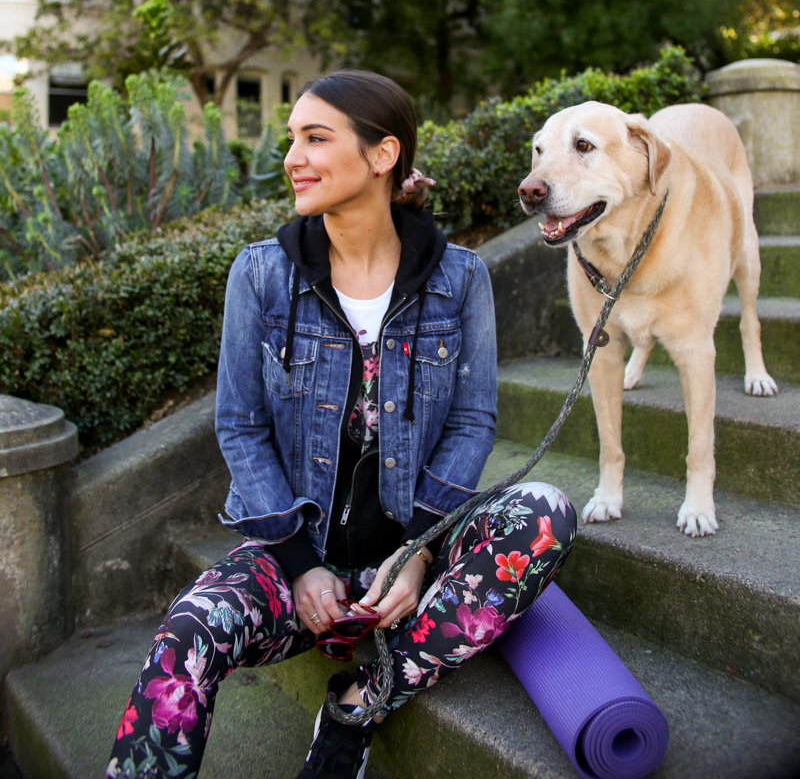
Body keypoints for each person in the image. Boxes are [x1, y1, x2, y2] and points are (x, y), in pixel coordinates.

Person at [107, 69, 577, 779]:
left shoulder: (460, 278)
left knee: (546, 511)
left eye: (315, 138)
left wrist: (417, 549)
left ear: (383, 154)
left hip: (415, 550)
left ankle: (359, 704)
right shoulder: (261, 274)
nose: (292, 156)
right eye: (292, 138)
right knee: (187, 634)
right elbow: (239, 424)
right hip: (297, 551)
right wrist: (300, 567)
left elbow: (474, 416)